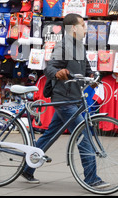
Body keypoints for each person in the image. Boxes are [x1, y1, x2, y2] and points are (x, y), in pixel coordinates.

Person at [21, 13, 108, 188]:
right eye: (83, 25)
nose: (85, 28)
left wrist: (93, 75)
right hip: (65, 99)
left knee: (50, 135)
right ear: (73, 28)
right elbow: (50, 67)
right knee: (84, 135)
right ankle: (92, 179)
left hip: (74, 97)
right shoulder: (63, 45)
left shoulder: (79, 46)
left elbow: (85, 67)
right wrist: (58, 73)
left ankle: (27, 168)